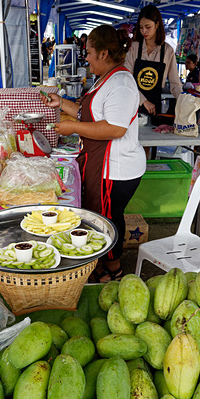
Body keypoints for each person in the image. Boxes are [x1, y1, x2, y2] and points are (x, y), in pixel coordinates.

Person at [42, 25, 144, 283]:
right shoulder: (106, 78)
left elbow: (115, 128)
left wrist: (72, 127)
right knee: (101, 219)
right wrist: (61, 103)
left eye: (88, 53)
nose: (85, 58)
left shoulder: (121, 83)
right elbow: (89, 113)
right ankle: (101, 265)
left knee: (108, 220)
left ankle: (115, 270)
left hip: (116, 169)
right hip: (101, 165)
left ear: (104, 53)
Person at [124, 4, 182, 117]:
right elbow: (127, 79)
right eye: (141, 27)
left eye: (147, 27)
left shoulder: (167, 51)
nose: (144, 31)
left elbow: (175, 84)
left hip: (154, 108)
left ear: (157, 25)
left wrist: (183, 100)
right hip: (131, 106)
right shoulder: (134, 48)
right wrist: (143, 100)